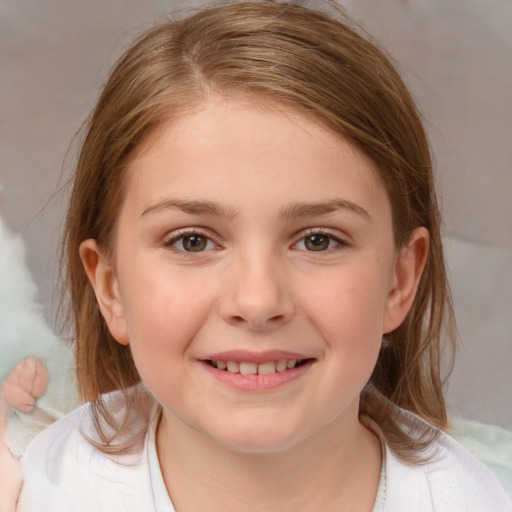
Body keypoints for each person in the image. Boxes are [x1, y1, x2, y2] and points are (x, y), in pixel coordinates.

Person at [15, 1, 512, 510]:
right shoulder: (38, 493)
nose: (257, 301)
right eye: (193, 241)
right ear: (111, 287)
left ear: (398, 281)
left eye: (318, 240)